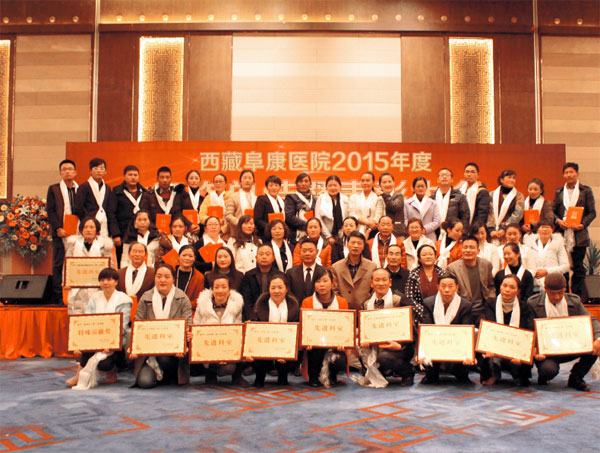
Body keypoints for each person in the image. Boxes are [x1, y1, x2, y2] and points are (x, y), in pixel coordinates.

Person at [527, 273, 600, 391]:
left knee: (595, 346)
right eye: (552, 293)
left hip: (570, 346)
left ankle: (576, 377)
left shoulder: (574, 301)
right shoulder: (533, 303)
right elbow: (529, 329)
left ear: (565, 289)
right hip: (547, 352)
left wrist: (598, 338)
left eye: (560, 293)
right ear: (545, 290)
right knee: (548, 371)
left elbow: (591, 320)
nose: (557, 297)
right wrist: (535, 349)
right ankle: (543, 374)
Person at [65, 268, 132, 388]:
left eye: (109, 279)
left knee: (104, 364)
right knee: (85, 350)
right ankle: (79, 375)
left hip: (115, 343)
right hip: (95, 339)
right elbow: (88, 321)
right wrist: (79, 344)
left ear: (116, 282)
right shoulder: (95, 297)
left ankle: (111, 370)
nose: (105, 283)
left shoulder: (124, 300)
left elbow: (122, 326)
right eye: (102, 280)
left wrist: (109, 343)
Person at [131, 264, 192, 389]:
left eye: (167, 277)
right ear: (154, 278)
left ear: (173, 279)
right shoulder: (146, 298)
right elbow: (138, 324)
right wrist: (135, 344)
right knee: (144, 382)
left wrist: (185, 338)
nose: (162, 280)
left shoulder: (182, 298)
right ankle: (158, 373)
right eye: (159, 276)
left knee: (165, 359)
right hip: (150, 351)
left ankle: (169, 374)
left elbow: (188, 324)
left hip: (174, 353)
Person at [357, 268, 415, 387]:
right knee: (362, 354)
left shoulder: (400, 300)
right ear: (371, 283)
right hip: (376, 346)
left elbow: (412, 328)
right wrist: (364, 340)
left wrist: (400, 345)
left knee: (384, 357)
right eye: (377, 280)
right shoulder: (367, 304)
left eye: (384, 280)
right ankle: (383, 371)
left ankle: (408, 372)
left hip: (399, 346)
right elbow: (364, 328)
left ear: (390, 282)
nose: (381, 283)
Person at [192, 275, 248, 387]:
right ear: (212, 289)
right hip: (208, 348)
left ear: (229, 289)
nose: (220, 290)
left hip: (229, 347)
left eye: (224, 287)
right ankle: (210, 373)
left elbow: (237, 332)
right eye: (216, 287)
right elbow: (196, 328)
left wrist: (225, 354)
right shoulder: (202, 305)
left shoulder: (237, 305)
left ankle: (237, 376)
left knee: (243, 345)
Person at [419, 274, 475, 384]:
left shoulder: (465, 305)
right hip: (435, 342)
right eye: (443, 286)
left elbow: (466, 331)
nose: (447, 290)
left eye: (450, 286)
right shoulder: (428, 303)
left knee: (468, 347)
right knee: (426, 342)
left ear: (457, 287)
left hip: (457, 343)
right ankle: (431, 373)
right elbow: (427, 328)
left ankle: (461, 373)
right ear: (438, 287)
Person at [552, 162, 597, 297]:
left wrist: (582, 224)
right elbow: (553, 212)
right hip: (562, 234)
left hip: (579, 235)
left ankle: (576, 296)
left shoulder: (586, 191)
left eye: (571, 172)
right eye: (566, 172)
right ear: (563, 175)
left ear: (577, 173)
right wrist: (558, 221)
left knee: (578, 267)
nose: (569, 175)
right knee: (563, 266)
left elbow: (592, 212)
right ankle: (563, 294)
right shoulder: (559, 192)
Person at [480, 274, 531, 386]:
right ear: (500, 287)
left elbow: (527, 331)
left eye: (512, 287)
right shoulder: (490, 303)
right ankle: (493, 374)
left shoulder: (524, 307)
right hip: (495, 346)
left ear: (518, 291)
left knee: (523, 355)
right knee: (487, 351)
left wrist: (521, 352)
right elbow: (490, 328)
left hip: (516, 347)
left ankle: (517, 375)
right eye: (505, 286)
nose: (507, 290)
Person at [301, 268, 349, 387]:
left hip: (335, 345)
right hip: (315, 346)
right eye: (318, 281)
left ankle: (332, 375)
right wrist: (306, 340)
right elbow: (304, 328)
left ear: (332, 283)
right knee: (314, 350)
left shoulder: (342, 302)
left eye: (325, 281)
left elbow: (345, 328)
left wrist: (343, 341)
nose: (321, 285)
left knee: (339, 358)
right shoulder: (307, 302)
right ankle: (313, 376)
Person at [250, 275, 300, 387]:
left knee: (295, 354)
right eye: (273, 288)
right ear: (268, 289)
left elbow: (296, 331)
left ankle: (283, 376)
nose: (276, 291)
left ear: (286, 289)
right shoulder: (261, 303)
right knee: (255, 350)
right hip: (264, 344)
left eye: (280, 287)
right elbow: (254, 330)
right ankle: (259, 377)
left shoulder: (293, 304)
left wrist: (286, 351)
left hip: (285, 345)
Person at [65, 217, 114, 314]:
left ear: (97, 230)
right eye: (86, 227)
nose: (88, 230)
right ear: (81, 230)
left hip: (98, 287)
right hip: (78, 287)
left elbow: (110, 267)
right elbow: (67, 265)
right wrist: (67, 280)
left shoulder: (104, 246)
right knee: (77, 314)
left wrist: (108, 281)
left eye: (91, 227)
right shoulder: (74, 245)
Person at [46, 159, 79, 304]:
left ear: (75, 172)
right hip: (61, 231)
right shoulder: (54, 189)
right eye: (64, 169)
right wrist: (58, 228)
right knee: (59, 262)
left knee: (76, 261)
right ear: (60, 173)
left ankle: (75, 294)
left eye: (70, 169)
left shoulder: (80, 189)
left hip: (77, 231)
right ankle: (58, 295)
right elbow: (51, 211)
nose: (67, 172)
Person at [447, 235, 495, 324]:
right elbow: (453, 292)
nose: (468, 250)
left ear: (478, 251)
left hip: (483, 309)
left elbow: (491, 286)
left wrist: (490, 299)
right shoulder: (453, 268)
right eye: (465, 247)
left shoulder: (486, 264)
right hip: (463, 309)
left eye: (472, 247)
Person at [73, 157, 119, 239]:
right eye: (95, 168)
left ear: (105, 172)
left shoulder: (107, 188)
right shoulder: (84, 187)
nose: (99, 171)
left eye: (101, 168)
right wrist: (87, 221)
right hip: (88, 224)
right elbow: (78, 208)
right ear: (90, 171)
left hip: (104, 223)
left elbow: (109, 210)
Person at [331, 231, 377, 310]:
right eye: (353, 243)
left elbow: (374, 290)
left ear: (363, 246)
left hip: (365, 310)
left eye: (359, 243)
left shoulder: (372, 266)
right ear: (347, 245)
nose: (356, 246)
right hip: (344, 310)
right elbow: (335, 291)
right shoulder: (336, 267)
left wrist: (368, 305)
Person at [404, 244, 448, 326]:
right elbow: (409, 298)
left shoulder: (443, 274)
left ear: (435, 257)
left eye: (431, 254)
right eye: (424, 255)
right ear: (419, 258)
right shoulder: (413, 275)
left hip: (443, 314)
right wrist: (424, 312)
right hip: (420, 316)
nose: (428, 257)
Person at [240, 243, 285, 320]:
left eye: (267, 254)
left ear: (273, 258)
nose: (264, 257)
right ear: (256, 257)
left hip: (275, 315)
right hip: (254, 315)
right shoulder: (249, 276)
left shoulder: (280, 276)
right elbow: (247, 301)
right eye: (261, 254)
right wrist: (251, 319)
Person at [113, 165, 147, 263]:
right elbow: (111, 214)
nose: (133, 177)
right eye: (130, 175)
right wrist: (115, 234)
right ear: (124, 176)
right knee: (124, 260)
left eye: (135, 175)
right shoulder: (117, 192)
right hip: (123, 233)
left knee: (140, 258)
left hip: (141, 233)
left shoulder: (144, 192)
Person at [524, 220, 570, 292]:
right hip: (534, 283)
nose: (545, 230)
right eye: (542, 227)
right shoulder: (529, 245)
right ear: (537, 229)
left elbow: (565, 266)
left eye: (548, 227)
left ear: (552, 229)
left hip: (553, 282)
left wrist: (547, 271)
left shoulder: (558, 244)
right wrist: (534, 272)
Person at [487, 169, 524, 243]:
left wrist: (504, 228)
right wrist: (491, 229)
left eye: (514, 178)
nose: (512, 180)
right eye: (509, 177)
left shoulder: (519, 196)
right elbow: (488, 212)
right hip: (492, 233)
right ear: (501, 180)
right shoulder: (491, 194)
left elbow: (518, 214)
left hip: (509, 232)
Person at [431, 167, 470, 238]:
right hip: (434, 234)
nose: (444, 177)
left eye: (447, 175)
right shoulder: (431, 198)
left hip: (453, 234)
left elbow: (465, 218)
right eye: (442, 175)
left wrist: (463, 235)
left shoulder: (460, 197)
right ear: (437, 180)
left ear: (452, 179)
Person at [286, 238, 327, 304]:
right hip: (296, 307)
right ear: (300, 252)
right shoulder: (291, 273)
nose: (307, 254)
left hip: (319, 307)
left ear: (317, 252)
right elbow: (288, 292)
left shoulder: (325, 272)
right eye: (304, 251)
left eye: (311, 251)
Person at [315, 175, 349, 245]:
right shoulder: (321, 198)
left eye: (335, 185)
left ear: (340, 186)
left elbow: (347, 217)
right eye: (330, 185)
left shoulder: (345, 199)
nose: (332, 188)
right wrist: (328, 236)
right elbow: (318, 219)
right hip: (325, 236)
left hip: (342, 235)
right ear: (326, 187)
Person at [404, 177, 440, 241]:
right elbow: (405, 219)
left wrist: (425, 229)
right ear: (413, 188)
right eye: (418, 186)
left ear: (426, 188)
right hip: (412, 236)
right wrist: (413, 229)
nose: (420, 188)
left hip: (429, 236)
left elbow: (437, 221)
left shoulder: (433, 203)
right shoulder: (406, 203)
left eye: (422, 186)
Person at [284, 172, 317, 246]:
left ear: (310, 184)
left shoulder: (315, 199)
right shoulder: (291, 197)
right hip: (295, 237)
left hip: (313, 235)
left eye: (306, 181)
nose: (303, 184)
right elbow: (289, 217)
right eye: (301, 181)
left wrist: (313, 227)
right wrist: (308, 225)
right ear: (296, 184)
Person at [349, 171, 384, 238]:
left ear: (373, 182)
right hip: (357, 230)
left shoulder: (378, 197)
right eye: (363, 181)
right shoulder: (354, 197)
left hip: (374, 230)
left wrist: (369, 229)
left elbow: (379, 215)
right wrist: (367, 223)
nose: (365, 183)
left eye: (367, 180)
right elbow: (352, 214)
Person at [459, 162, 490, 229]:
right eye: (467, 172)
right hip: (460, 226)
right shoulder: (460, 190)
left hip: (474, 227)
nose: (469, 174)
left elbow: (482, 214)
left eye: (473, 172)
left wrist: (476, 228)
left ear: (477, 175)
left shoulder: (482, 192)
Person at [374, 172, 406, 238]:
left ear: (393, 183)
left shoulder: (398, 196)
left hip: (397, 233)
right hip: (379, 233)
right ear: (380, 185)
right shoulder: (376, 197)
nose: (387, 184)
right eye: (384, 182)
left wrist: (384, 194)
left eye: (389, 182)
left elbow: (394, 207)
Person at [225, 169, 257, 236]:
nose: (247, 180)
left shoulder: (256, 198)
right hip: (238, 233)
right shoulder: (233, 197)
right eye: (244, 178)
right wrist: (241, 224)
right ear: (240, 181)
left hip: (253, 233)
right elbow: (228, 215)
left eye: (250, 178)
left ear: (253, 181)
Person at [254, 175, 285, 241]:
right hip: (266, 235)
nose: (274, 188)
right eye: (271, 185)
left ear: (280, 187)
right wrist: (271, 228)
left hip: (281, 235)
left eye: (276, 185)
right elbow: (257, 220)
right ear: (266, 187)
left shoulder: (282, 201)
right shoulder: (261, 199)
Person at [178, 169, 204, 236]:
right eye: (191, 178)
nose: (194, 181)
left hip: (200, 230)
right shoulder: (181, 194)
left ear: (200, 181)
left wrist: (199, 227)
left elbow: (205, 214)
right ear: (187, 181)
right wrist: (189, 225)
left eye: (196, 178)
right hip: (185, 229)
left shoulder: (204, 195)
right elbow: (177, 211)